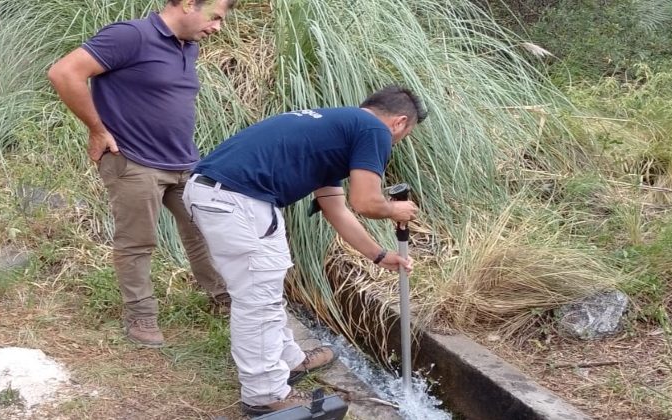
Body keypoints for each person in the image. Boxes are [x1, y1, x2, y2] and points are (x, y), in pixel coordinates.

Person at [183, 86, 427, 415]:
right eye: (405, 135)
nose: (397, 141)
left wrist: (380, 256)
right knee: (257, 300)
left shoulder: (337, 129)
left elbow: (337, 209)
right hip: (237, 199)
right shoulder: (374, 130)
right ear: (399, 122)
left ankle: (290, 361)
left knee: (265, 289)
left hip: (226, 194)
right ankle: (265, 395)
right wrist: (394, 210)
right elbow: (365, 202)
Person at [47, 0, 236, 348]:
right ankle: (141, 316)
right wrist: (96, 129)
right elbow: (63, 72)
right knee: (137, 243)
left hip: (183, 162)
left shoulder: (188, 47)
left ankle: (225, 301)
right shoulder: (131, 35)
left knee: (207, 231)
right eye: (216, 18)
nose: (217, 28)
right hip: (134, 161)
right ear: (189, 4)